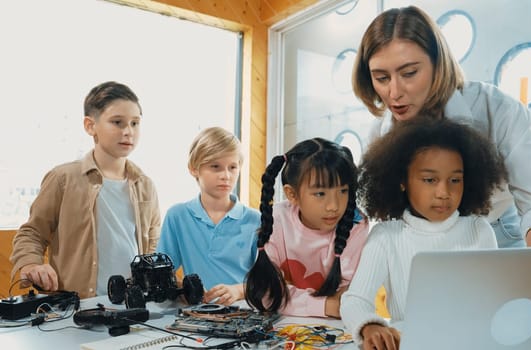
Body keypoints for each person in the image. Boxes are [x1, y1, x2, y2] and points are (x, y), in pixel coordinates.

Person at [352, 5, 531, 248]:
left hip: (496, 230)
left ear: (438, 64)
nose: (394, 92)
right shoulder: (379, 134)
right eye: (381, 78)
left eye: (409, 73)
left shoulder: (497, 110)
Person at [341, 117, 508, 349]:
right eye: (430, 180)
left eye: (455, 180)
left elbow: (494, 303)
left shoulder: (479, 230)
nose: (443, 192)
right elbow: (354, 300)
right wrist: (371, 327)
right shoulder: (386, 236)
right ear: (402, 181)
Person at [10, 81, 160, 298]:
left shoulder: (145, 185)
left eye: (135, 123)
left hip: (133, 305)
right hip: (76, 308)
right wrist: (31, 264)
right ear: (90, 126)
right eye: (117, 122)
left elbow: (152, 246)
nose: (128, 132)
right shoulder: (63, 178)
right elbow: (31, 233)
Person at [244, 138, 369, 318]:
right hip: (283, 329)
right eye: (320, 194)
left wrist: (292, 300)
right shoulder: (277, 219)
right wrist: (326, 305)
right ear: (292, 194)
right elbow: (265, 294)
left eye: (343, 191)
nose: (333, 205)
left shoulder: (356, 225)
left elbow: (350, 299)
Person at [156, 127, 260, 306]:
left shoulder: (255, 219)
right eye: (215, 167)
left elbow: (269, 282)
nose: (226, 176)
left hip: (245, 313)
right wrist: (185, 290)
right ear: (194, 169)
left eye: (233, 167)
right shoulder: (177, 216)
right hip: (196, 316)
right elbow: (162, 276)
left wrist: (238, 290)